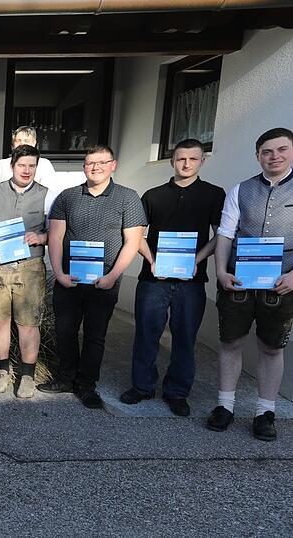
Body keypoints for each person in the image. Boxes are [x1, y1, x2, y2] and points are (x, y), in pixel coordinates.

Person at [119, 139, 225, 416]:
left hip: (191, 280)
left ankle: (177, 392)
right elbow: (137, 235)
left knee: (185, 338)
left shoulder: (214, 194)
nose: (186, 164)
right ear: (172, 161)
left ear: (203, 161)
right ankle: (142, 387)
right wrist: (151, 261)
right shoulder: (153, 195)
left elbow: (220, 236)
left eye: (193, 159)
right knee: (146, 334)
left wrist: (196, 261)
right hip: (154, 279)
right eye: (181, 159)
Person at [39, 145, 147, 409]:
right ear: (84, 167)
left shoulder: (128, 197)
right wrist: (59, 273)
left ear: (113, 165)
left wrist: (113, 276)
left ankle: (86, 384)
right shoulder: (68, 197)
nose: (95, 167)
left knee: (94, 336)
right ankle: (66, 377)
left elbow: (132, 241)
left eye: (101, 162)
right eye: (90, 163)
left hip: (104, 282)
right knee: (64, 331)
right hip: (69, 280)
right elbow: (55, 237)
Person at [207, 127, 293, 441]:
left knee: (271, 348)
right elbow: (226, 234)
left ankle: (265, 412)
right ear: (258, 155)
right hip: (238, 282)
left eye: (281, 150)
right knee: (230, 343)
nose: (274, 157)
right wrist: (220, 271)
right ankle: (225, 406)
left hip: (281, 285)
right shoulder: (240, 190)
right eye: (267, 152)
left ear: (291, 151)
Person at [0, 145, 50, 399]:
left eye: (32, 166)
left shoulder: (47, 195)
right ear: (12, 166)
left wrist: (40, 237)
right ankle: (2, 370)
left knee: (28, 323)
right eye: (22, 165)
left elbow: (56, 232)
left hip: (29, 268)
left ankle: (27, 375)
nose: (27, 170)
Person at [0, 126, 60, 200]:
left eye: (26, 140)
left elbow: (51, 192)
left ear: (34, 143)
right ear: (12, 145)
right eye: (18, 140)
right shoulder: (1, 165)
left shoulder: (44, 165)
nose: (22, 144)